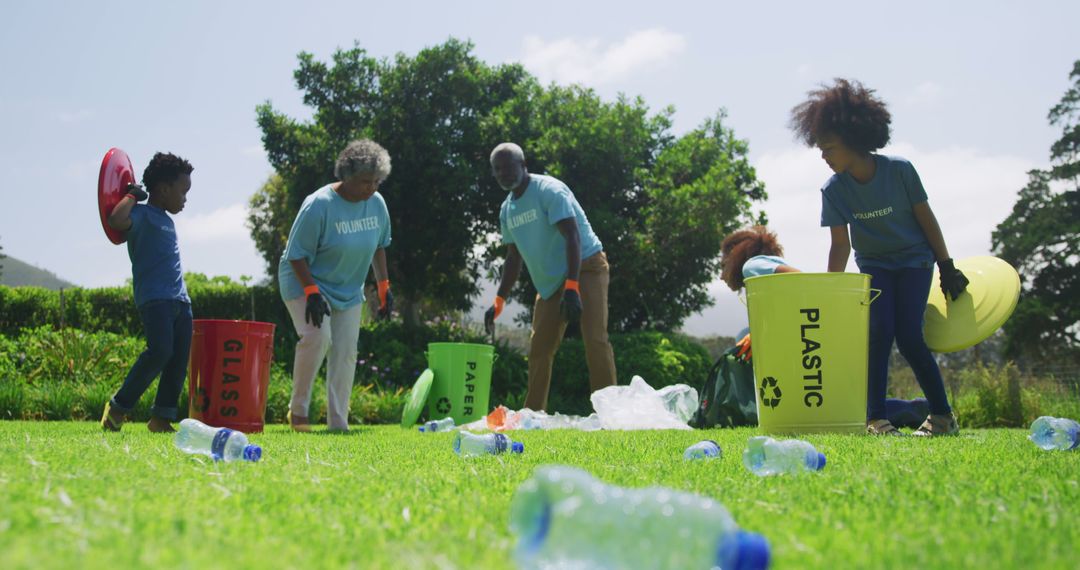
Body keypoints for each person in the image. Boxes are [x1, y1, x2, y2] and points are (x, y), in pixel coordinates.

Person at [790, 78, 969, 436]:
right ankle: (876, 419)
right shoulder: (834, 190)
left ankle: (943, 416)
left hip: (915, 261)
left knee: (909, 338)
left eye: (829, 148)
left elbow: (926, 219)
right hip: (874, 265)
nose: (823, 156)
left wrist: (946, 265)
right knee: (878, 333)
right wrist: (833, 290)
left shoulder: (900, 171)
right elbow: (840, 245)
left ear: (855, 142)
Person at [719, 225, 932, 429]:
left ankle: (915, 409)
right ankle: (913, 408)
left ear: (736, 255)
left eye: (723, 262)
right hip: (818, 327)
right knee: (836, 402)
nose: (722, 271)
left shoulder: (753, 266)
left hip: (816, 328)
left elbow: (807, 283)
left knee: (839, 406)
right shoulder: (763, 267)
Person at [485, 143, 616, 411]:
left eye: (508, 167)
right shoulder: (507, 210)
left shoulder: (549, 191)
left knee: (594, 338)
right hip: (551, 282)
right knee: (539, 349)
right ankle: (533, 415)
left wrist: (572, 287)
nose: (503, 174)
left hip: (586, 265)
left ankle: (609, 412)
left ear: (523, 166)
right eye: (497, 169)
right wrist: (499, 300)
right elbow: (513, 258)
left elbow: (573, 236)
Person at [278, 139, 394, 432]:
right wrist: (312, 292)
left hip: (348, 287)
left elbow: (380, 246)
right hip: (305, 280)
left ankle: (337, 422)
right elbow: (296, 255)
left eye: (376, 182)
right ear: (347, 175)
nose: (371, 188)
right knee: (317, 337)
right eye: (365, 181)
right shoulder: (319, 205)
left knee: (345, 351)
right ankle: (299, 413)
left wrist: (383, 287)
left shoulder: (377, 205)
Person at [100, 152, 194, 433]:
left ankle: (161, 418)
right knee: (160, 351)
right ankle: (117, 408)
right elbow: (116, 220)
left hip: (181, 301)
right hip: (155, 300)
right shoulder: (140, 215)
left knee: (178, 360)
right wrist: (132, 196)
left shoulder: (169, 220)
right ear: (164, 189)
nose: (185, 198)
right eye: (183, 191)